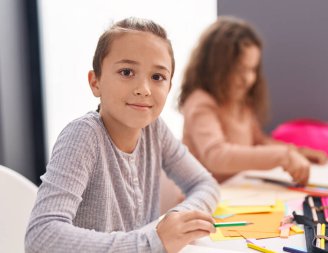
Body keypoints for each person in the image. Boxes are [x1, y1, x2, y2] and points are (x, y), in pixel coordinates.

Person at [25, 17, 219, 253]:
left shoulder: (154, 129)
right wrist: (152, 242)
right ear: (95, 82)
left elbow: (205, 183)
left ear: (168, 87)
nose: (143, 89)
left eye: (157, 77)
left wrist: (177, 220)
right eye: (127, 72)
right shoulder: (83, 136)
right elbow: (41, 237)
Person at [178, 16, 328, 185]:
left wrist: (296, 152)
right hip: (203, 201)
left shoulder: (240, 100)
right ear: (216, 67)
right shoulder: (200, 102)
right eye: (240, 69)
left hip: (236, 191)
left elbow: (258, 142)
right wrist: (283, 156)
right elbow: (216, 155)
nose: (248, 79)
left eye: (252, 69)